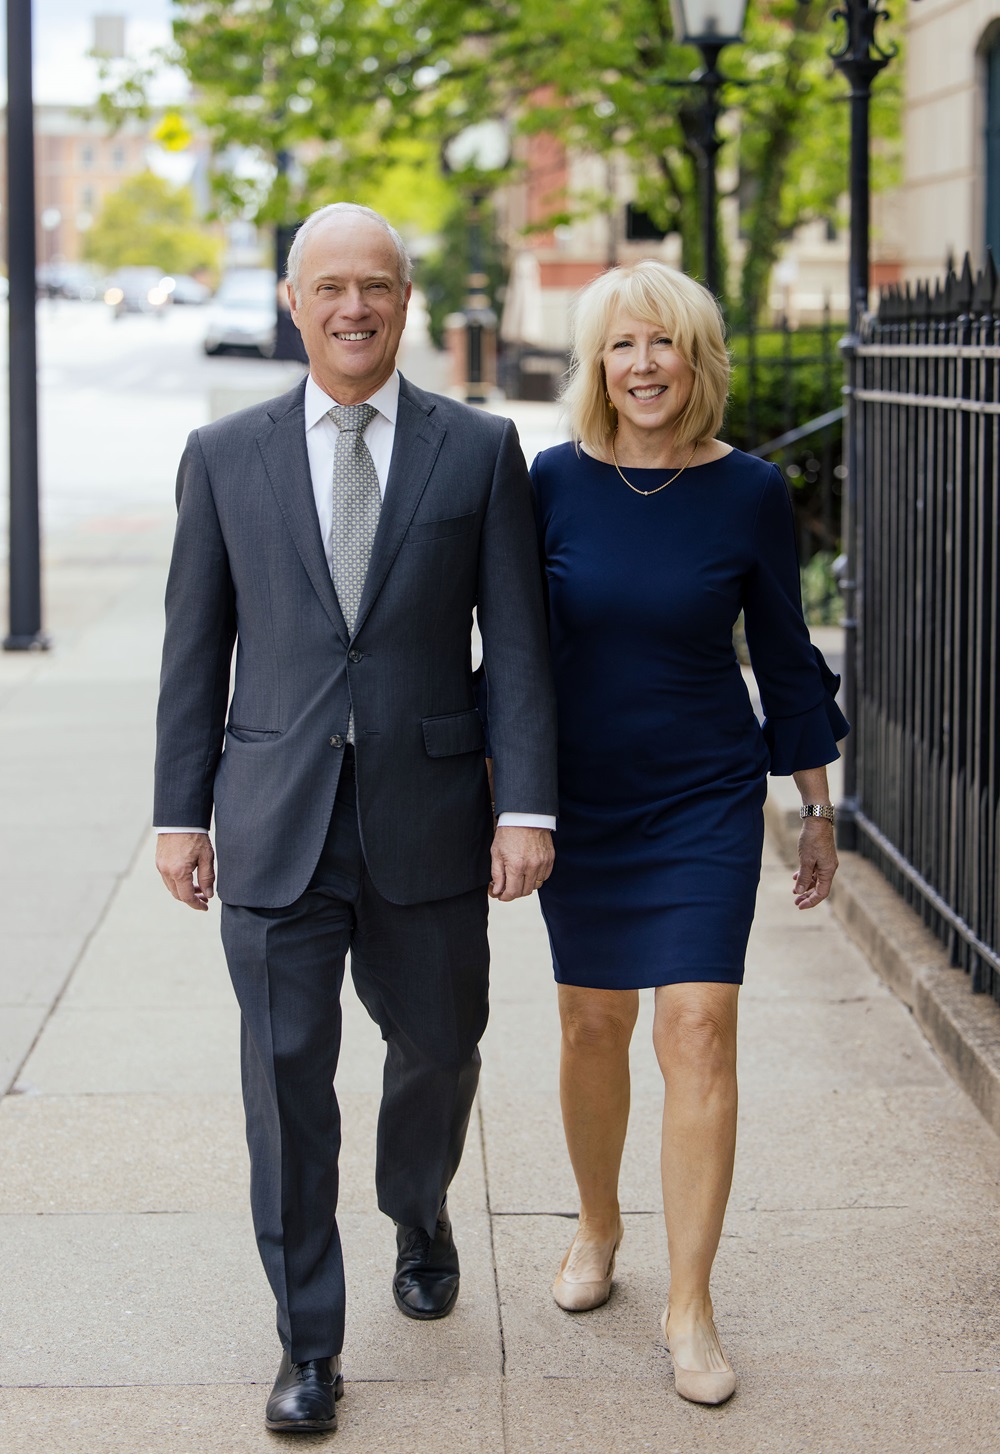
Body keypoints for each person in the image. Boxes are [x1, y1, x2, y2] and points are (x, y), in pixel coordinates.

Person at [153, 203, 557, 1434]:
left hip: (430, 810)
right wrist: (179, 813)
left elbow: (521, 646)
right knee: (286, 1089)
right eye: (327, 287)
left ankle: (417, 1204)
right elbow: (194, 645)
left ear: (406, 297)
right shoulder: (223, 454)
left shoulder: (478, 448)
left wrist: (524, 801)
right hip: (275, 814)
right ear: (292, 303)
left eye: (374, 285)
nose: (352, 307)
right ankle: (309, 1344)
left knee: (440, 1047)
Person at [530, 260, 848, 1406]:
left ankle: (689, 1300)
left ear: (696, 359)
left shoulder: (748, 489)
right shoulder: (552, 481)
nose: (644, 364)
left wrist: (815, 806)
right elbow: (515, 655)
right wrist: (497, 793)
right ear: (598, 363)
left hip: (702, 794)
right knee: (588, 1027)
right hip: (583, 794)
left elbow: (784, 653)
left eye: (665, 343)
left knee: (700, 1027)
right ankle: (599, 1224)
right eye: (623, 344)